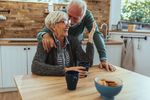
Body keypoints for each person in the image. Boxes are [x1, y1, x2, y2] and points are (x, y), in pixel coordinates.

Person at [37, 0, 116, 71]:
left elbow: (96, 35)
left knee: (75, 66)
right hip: (58, 49)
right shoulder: (61, 15)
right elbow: (42, 32)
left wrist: (103, 59)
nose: (69, 22)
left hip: (76, 44)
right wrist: (45, 35)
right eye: (69, 16)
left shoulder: (87, 16)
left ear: (83, 17)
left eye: (75, 18)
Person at [32, 11, 95, 78]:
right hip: (52, 83)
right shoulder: (45, 42)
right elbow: (36, 66)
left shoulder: (73, 41)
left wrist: (90, 38)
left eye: (68, 21)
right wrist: (66, 70)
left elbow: (88, 62)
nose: (68, 25)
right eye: (64, 22)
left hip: (71, 81)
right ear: (53, 26)